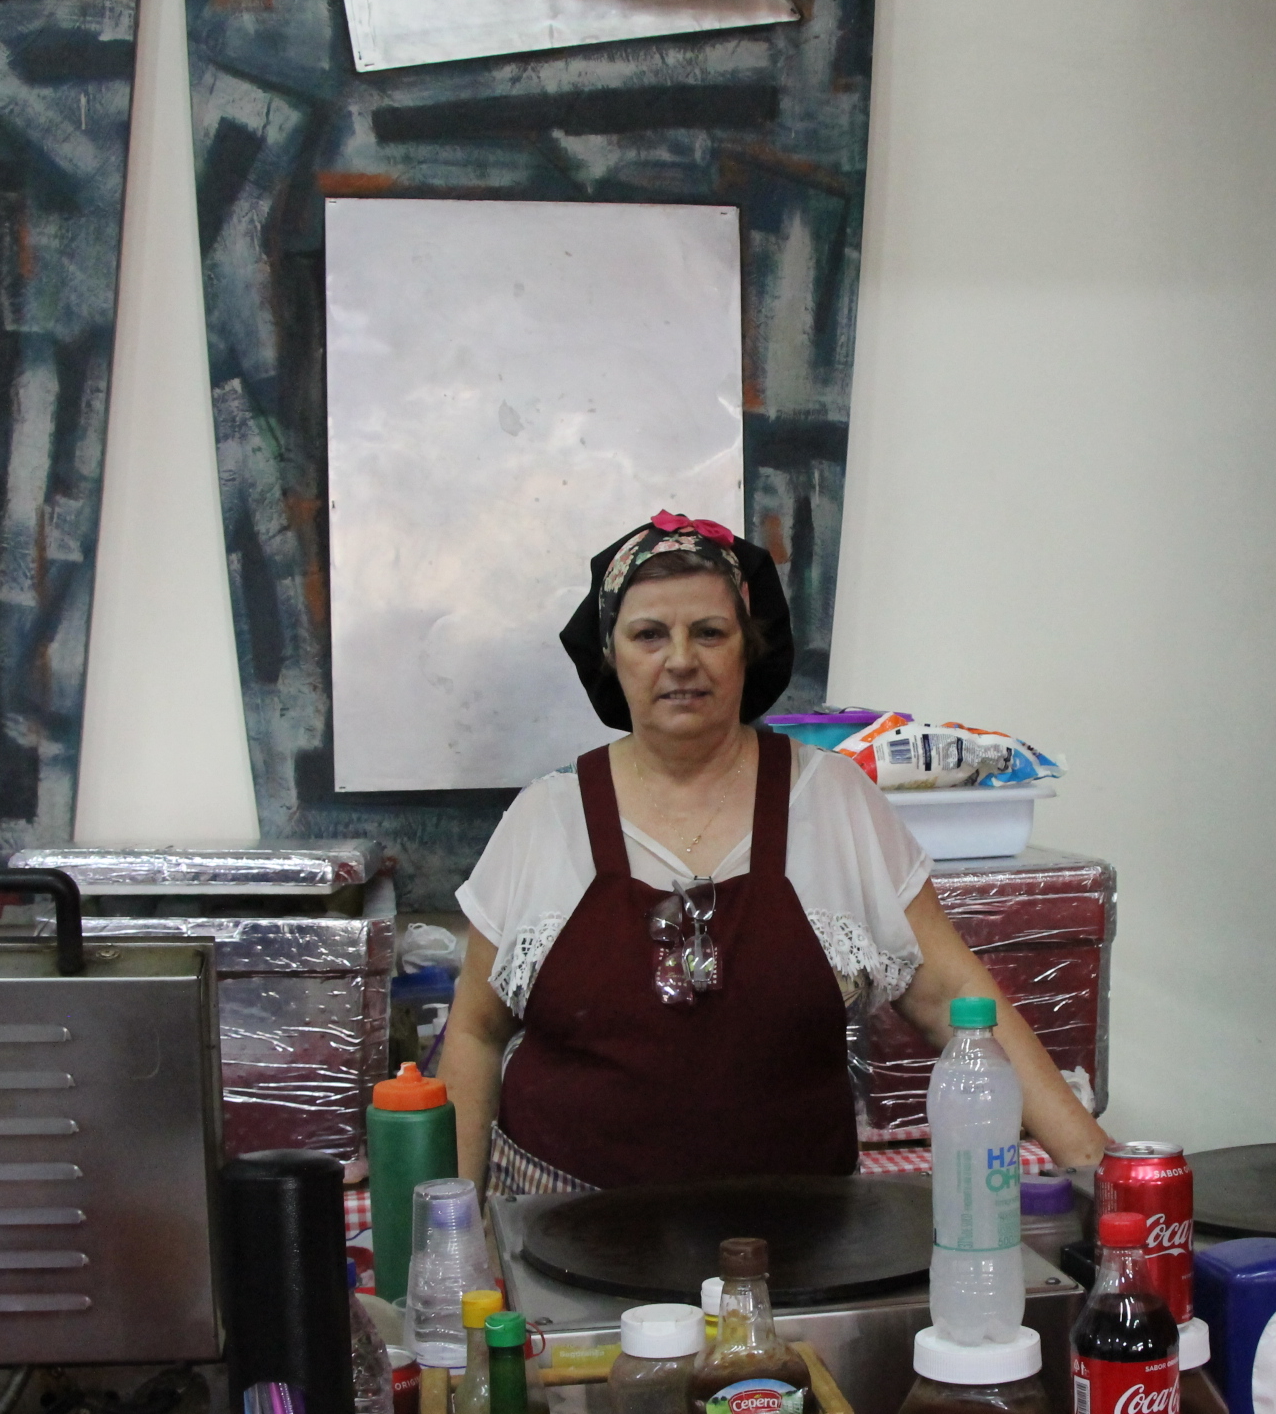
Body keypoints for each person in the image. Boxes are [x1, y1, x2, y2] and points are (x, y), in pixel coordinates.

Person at [442, 511, 1109, 1195]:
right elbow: (474, 1033)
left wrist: (1102, 1168)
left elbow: (953, 997)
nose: (681, 659)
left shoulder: (833, 801)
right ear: (611, 652)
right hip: (563, 1234)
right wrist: (449, 1227)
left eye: (710, 632)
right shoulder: (545, 818)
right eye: (649, 634)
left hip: (798, 1235)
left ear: (748, 647)